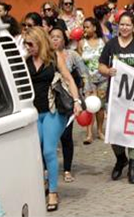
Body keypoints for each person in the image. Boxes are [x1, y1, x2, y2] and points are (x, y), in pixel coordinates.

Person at [24, 27, 82, 211]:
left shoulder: (54, 58)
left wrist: (77, 101)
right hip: (34, 113)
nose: (28, 47)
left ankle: (53, 193)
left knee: (49, 150)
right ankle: (45, 182)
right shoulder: (25, 61)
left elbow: (69, 79)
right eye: (26, 44)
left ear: (40, 41)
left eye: (30, 44)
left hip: (53, 111)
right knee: (37, 152)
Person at [98, 12, 134, 184]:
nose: (124, 28)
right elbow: (101, 65)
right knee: (114, 131)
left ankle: (133, 165)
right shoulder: (111, 45)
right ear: (118, 26)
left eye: (128, 25)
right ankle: (120, 159)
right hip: (116, 97)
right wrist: (108, 71)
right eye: (122, 25)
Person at [49, 27, 89, 184]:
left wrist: (84, 93)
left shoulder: (72, 55)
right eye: (52, 37)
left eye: (58, 37)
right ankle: (47, 170)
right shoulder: (45, 56)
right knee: (49, 139)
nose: (55, 40)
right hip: (51, 101)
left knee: (66, 136)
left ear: (64, 40)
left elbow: (84, 73)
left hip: (66, 100)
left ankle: (67, 169)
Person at [78, 17, 107, 144]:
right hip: (88, 79)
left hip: (102, 78)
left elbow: (109, 56)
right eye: (84, 27)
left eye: (87, 26)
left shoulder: (103, 41)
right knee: (89, 106)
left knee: (100, 106)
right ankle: (89, 134)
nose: (84, 29)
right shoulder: (81, 43)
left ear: (95, 28)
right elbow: (79, 61)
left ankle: (100, 131)